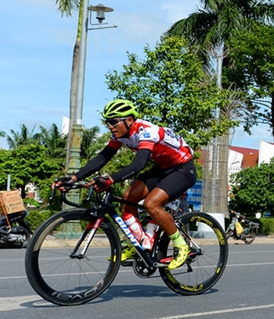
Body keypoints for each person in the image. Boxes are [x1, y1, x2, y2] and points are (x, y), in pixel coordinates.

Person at [52, 99, 196, 269]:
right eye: (107, 122)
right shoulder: (120, 135)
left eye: (113, 121)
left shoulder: (146, 131)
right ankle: (141, 243)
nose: (110, 126)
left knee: (151, 204)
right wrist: (73, 178)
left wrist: (110, 179)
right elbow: (103, 157)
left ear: (129, 120)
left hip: (183, 169)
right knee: (128, 198)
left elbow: (138, 164)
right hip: (162, 168)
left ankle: (182, 246)